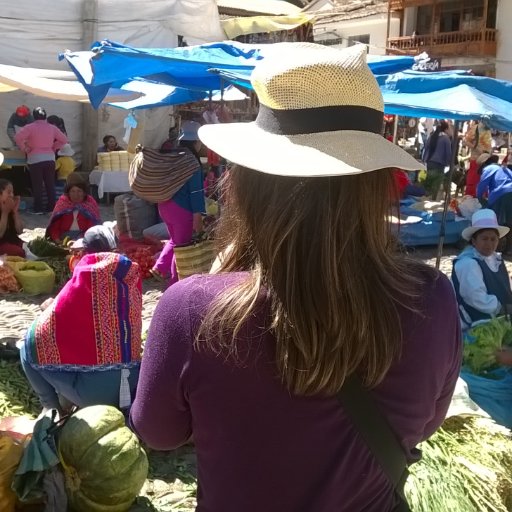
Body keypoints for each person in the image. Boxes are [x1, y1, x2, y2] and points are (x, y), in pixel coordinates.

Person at [130, 44, 461, 512]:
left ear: (247, 181)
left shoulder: (192, 310)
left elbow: (158, 433)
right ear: (374, 181)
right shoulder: (432, 299)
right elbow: (424, 424)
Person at [21, 251, 142, 418]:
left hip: (95, 398)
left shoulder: (78, 304)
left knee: (26, 348)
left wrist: (49, 310)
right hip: (133, 389)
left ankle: (51, 408)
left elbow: (36, 338)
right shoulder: (128, 298)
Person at [151, 121, 205, 284]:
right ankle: (175, 283)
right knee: (183, 248)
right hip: (182, 209)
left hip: (165, 205)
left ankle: (160, 267)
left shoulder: (172, 157)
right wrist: (198, 215)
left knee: (175, 240)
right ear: (196, 142)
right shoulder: (192, 162)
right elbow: (196, 192)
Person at [452, 209, 512, 330]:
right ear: (474, 241)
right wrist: (502, 308)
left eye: (493, 239)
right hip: (475, 325)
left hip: (497, 320)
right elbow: (476, 298)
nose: (489, 244)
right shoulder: (467, 263)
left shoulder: (496, 260)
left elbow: (505, 287)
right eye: (484, 239)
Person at [14, 107, 68, 215]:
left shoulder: (30, 127)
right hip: (49, 158)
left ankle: (38, 208)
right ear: (45, 116)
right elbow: (64, 139)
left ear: (34, 116)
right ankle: (51, 208)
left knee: (37, 185)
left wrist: (25, 148)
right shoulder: (52, 128)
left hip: (35, 159)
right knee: (50, 184)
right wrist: (53, 147)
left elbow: (17, 138)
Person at [46, 174, 100, 242]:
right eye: (73, 191)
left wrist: (81, 241)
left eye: (79, 191)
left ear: (84, 193)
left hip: (84, 238)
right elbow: (54, 227)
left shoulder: (90, 203)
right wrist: (58, 241)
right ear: (68, 193)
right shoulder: (63, 203)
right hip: (63, 237)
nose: (76, 195)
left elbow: (92, 228)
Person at [477, 158, 512, 254]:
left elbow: (482, 185)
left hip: (501, 193)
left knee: (496, 221)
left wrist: (479, 198)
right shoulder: (505, 169)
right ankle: (509, 248)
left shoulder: (489, 168)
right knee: (510, 221)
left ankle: (497, 247)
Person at [422, 120, 452, 200]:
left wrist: (424, 160)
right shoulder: (446, 139)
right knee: (436, 183)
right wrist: (449, 163)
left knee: (429, 181)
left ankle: (425, 198)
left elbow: (426, 148)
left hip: (429, 162)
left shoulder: (432, 136)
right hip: (439, 164)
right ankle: (433, 199)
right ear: (445, 129)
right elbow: (448, 153)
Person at [464, 121, 492, 197]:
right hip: (476, 160)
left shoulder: (489, 129)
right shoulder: (475, 128)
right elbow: (466, 141)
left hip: (486, 161)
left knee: (483, 183)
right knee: (473, 184)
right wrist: (476, 148)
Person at [0, 178, 24, 257]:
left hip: (11, 240)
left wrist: (15, 212)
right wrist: (5, 213)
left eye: (12, 192)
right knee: (19, 252)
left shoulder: (10, 209)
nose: (12, 195)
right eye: (9, 192)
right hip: (1, 243)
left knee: (31, 248)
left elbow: (20, 230)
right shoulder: (5, 210)